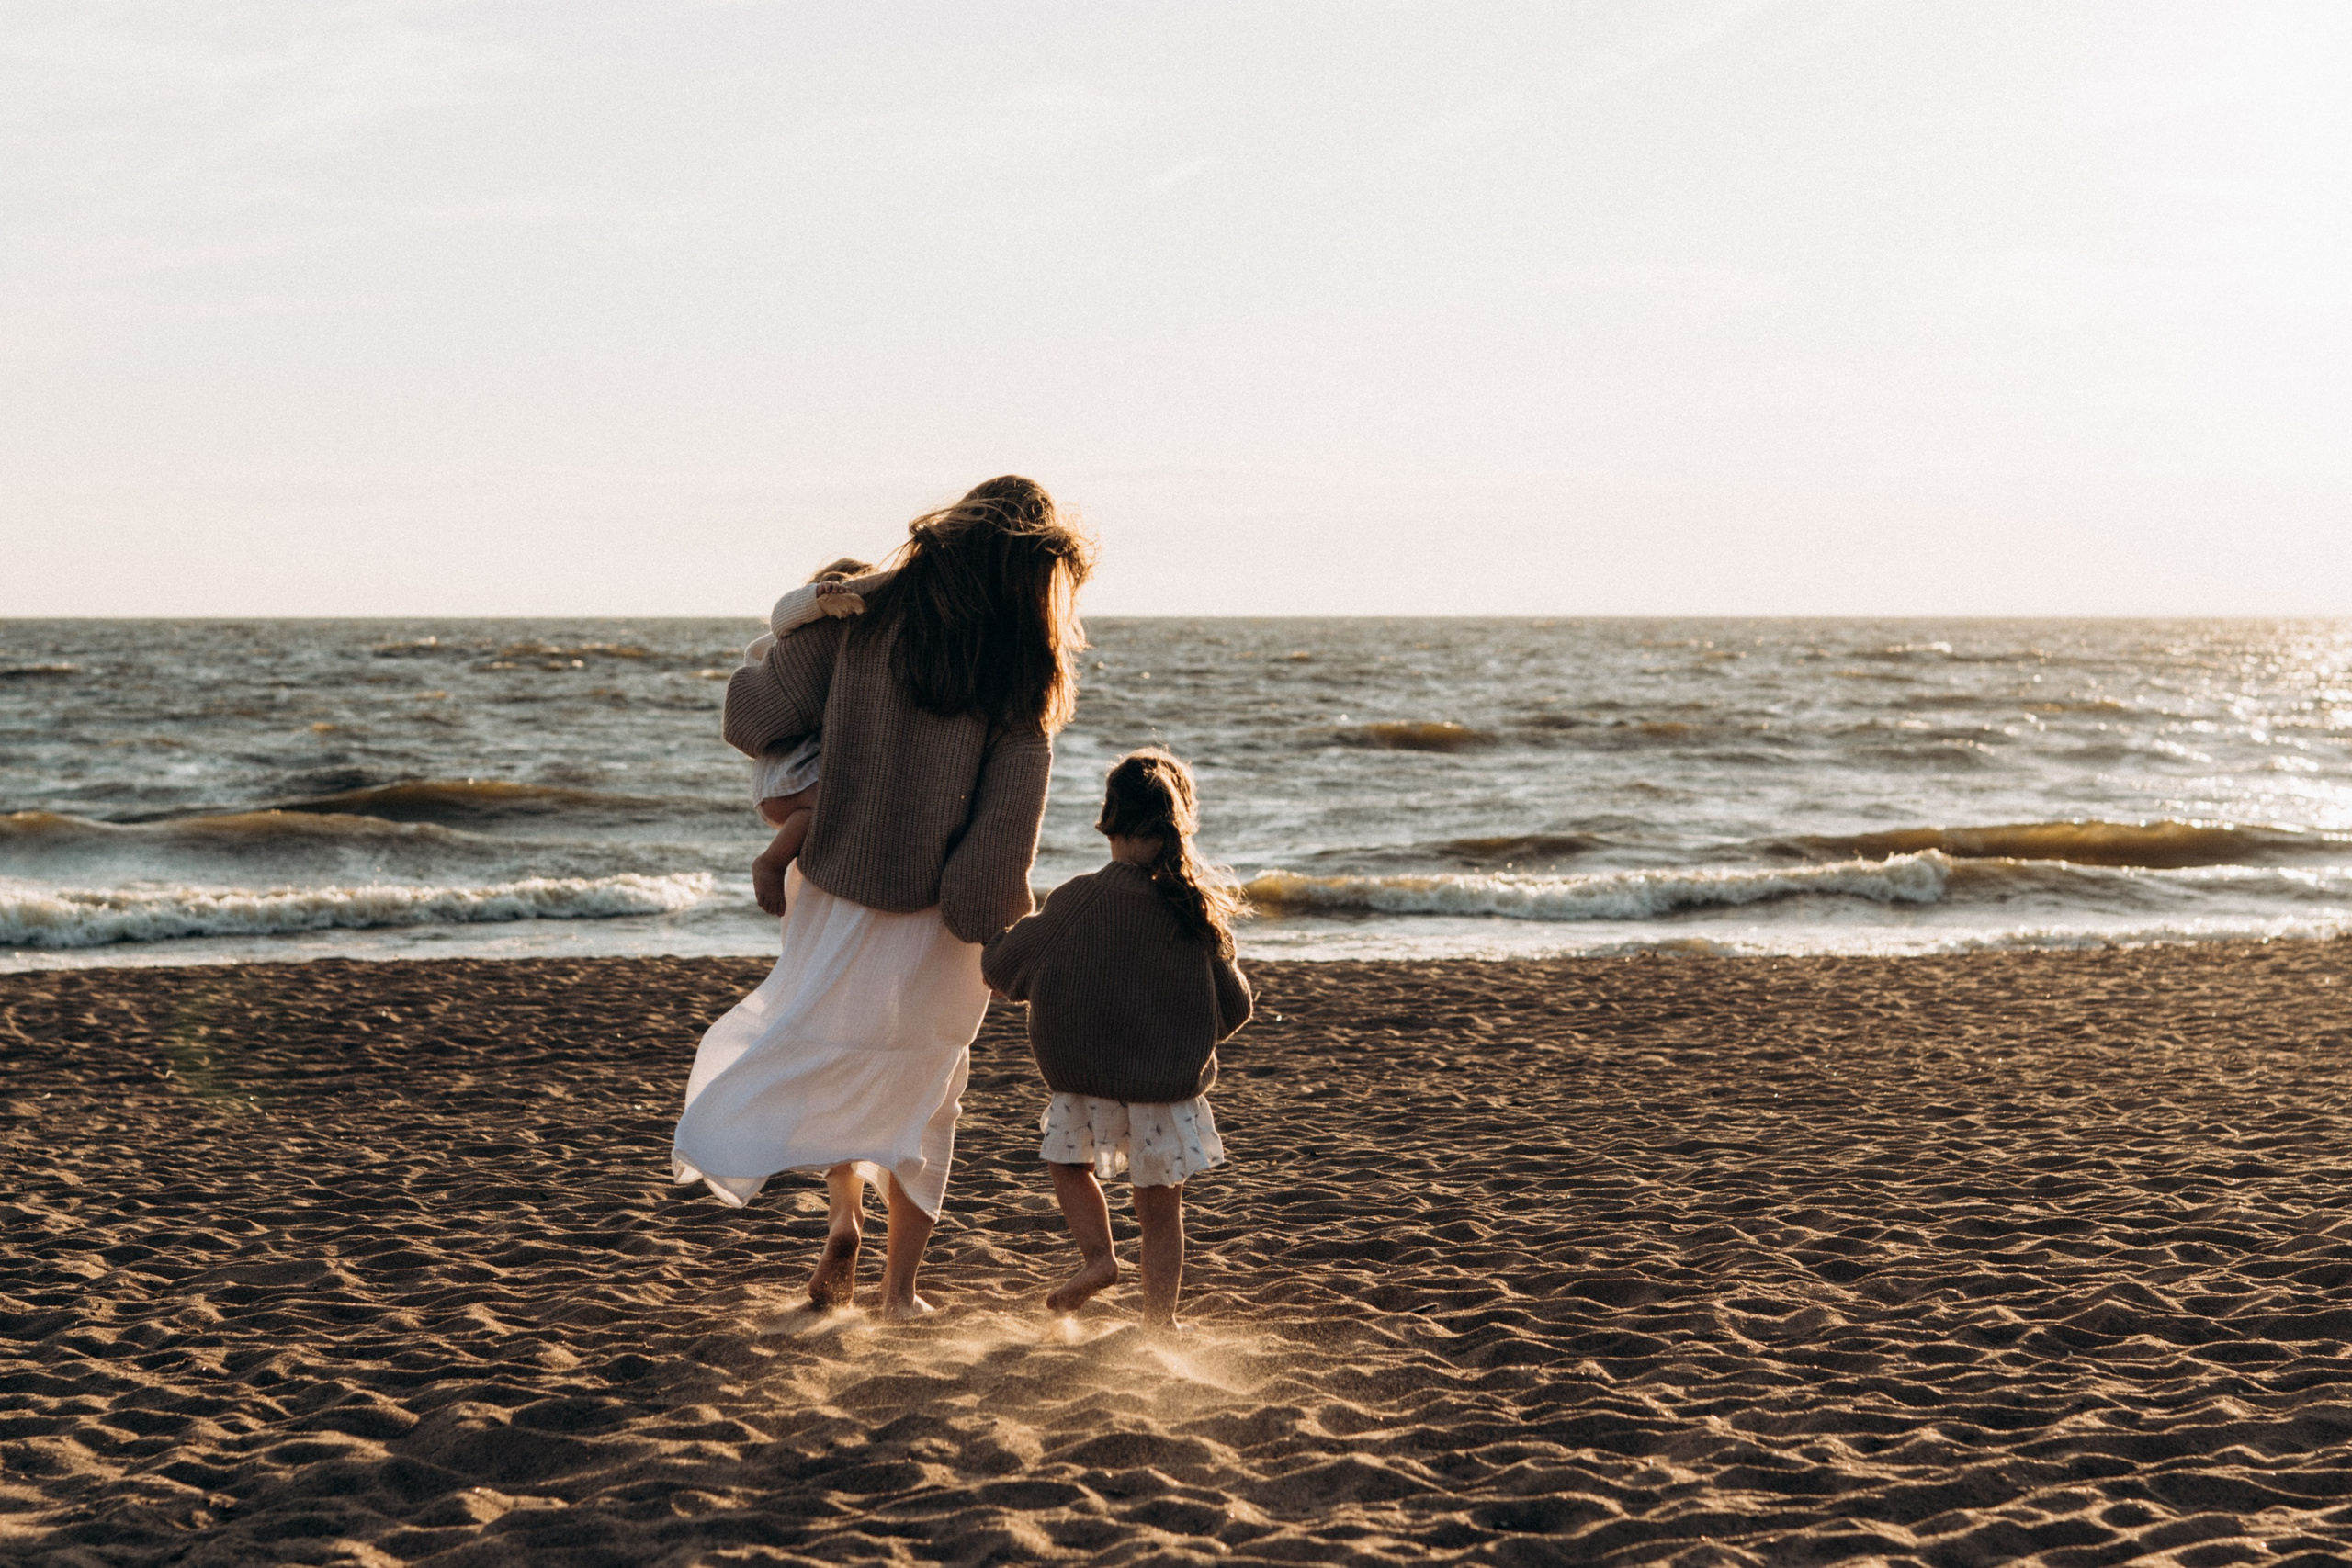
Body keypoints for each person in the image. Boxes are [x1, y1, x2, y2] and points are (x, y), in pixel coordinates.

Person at [672, 476, 1091, 1319]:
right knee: (928, 1092)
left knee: (833, 1047)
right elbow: (1007, 825)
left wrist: (784, 637)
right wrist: (988, 927)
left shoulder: (860, 623)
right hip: (942, 918)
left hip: (834, 887)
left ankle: (841, 1216)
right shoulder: (1024, 670)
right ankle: (901, 1292)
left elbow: (752, 719)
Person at [981, 749, 1252, 1325]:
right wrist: (1180, 1035)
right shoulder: (1191, 910)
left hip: (1083, 1083)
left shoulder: (1076, 899)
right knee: (1159, 1213)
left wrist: (988, 928)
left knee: (1067, 1165)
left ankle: (1100, 1258)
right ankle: (1160, 1323)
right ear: (1177, 826)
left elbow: (1002, 970)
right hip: (1165, 1090)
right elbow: (1235, 1005)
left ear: (1109, 818)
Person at [738, 556, 890, 918]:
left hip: (795, 778)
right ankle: (769, 863)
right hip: (785, 776)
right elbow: (782, 617)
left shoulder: (846, 651)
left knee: (836, 804)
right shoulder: (791, 635)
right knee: (827, 800)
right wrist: (817, 597)